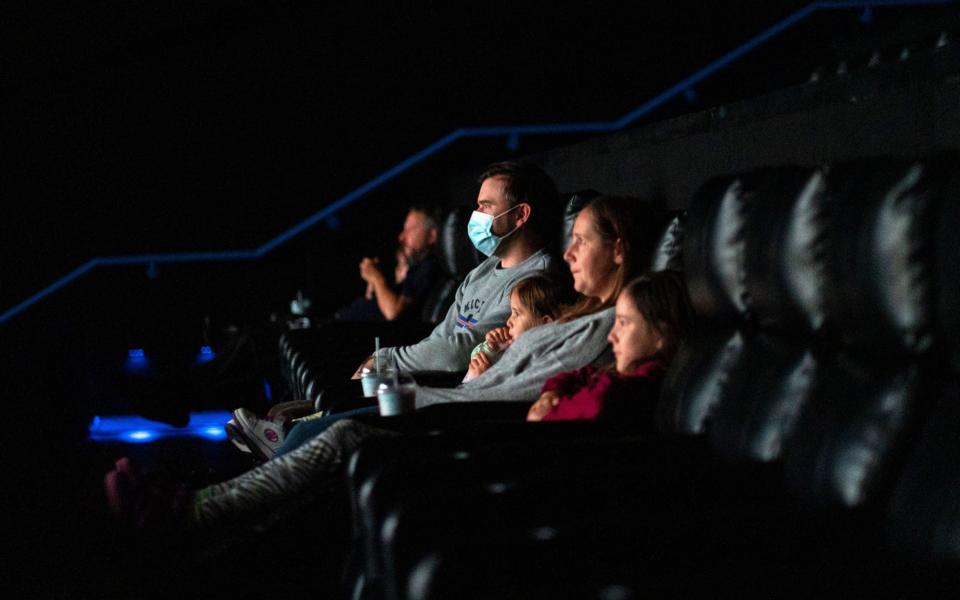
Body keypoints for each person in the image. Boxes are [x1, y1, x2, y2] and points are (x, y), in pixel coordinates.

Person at [103, 271, 692, 532]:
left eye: (627, 324)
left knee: (339, 438)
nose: (614, 334)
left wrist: (528, 402)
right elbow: (549, 391)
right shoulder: (607, 358)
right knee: (330, 436)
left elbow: (552, 412)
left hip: (490, 451)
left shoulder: (627, 377)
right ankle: (200, 499)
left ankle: (196, 509)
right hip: (478, 427)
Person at [527, 271, 693, 423]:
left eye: (623, 323)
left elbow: (598, 400)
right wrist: (552, 392)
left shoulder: (638, 386)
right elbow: (583, 374)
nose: (611, 336)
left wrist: (547, 414)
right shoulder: (626, 374)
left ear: (661, 334)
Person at [332, 206, 440, 322]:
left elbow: (393, 313)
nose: (401, 237)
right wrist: (373, 283)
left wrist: (377, 278)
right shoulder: (414, 271)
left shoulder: (427, 268)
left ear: (432, 236)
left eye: (410, 229)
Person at [463, 274, 570, 383]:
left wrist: (485, 378)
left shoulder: (539, 360)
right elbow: (475, 357)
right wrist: (491, 348)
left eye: (517, 314)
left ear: (546, 323)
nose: (509, 322)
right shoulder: (508, 344)